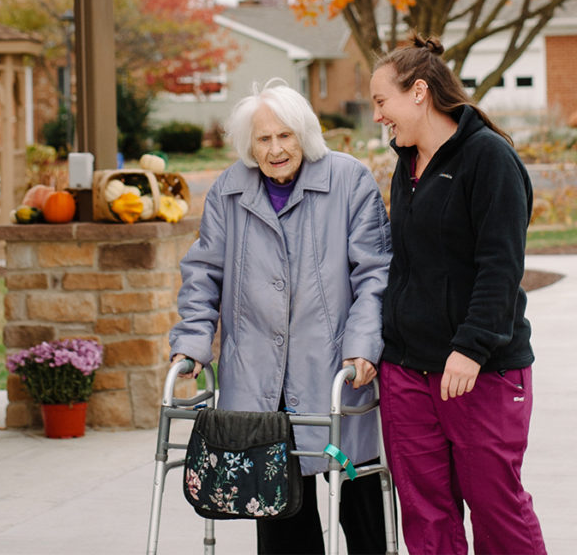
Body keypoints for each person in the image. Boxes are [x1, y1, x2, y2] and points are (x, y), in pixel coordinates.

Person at [169, 78, 392, 554]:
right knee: (279, 514)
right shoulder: (229, 190)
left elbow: (374, 274)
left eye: (285, 135)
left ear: (304, 134)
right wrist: (191, 342)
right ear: (249, 145)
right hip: (258, 383)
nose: (275, 149)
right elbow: (203, 272)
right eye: (263, 139)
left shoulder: (348, 180)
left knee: (358, 499)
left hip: (334, 373)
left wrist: (363, 345)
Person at [370, 32, 547, 555]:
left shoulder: (488, 158)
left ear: (418, 92)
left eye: (383, 101)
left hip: (480, 371)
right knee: (425, 514)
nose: (378, 116)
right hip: (407, 370)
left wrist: (470, 347)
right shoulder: (408, 164)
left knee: (496, 508)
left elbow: (500, 266)